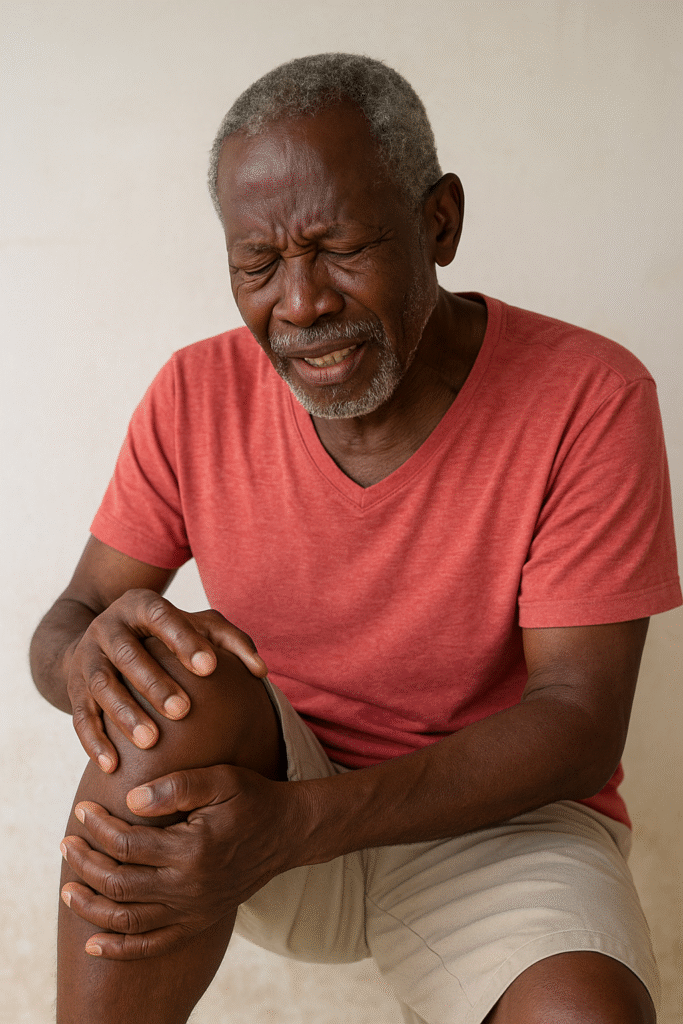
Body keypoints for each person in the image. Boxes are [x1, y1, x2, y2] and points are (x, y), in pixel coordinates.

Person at [30, 53, 681, 1024]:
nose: (300, 303)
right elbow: (72, 617)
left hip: (491, 823)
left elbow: (577, 723)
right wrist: (86, 657)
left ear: (439, 221)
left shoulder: (587, 395)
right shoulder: (194, 393)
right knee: (163, 682)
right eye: (257, 264)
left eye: (338, 246)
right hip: (261, 805)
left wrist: (299, 825)